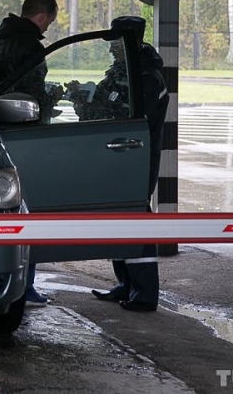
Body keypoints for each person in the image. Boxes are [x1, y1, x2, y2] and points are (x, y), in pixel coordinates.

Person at [0, 0, 63, 306]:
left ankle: (1, 277)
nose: (47, 29)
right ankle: (25, 284)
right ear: (41, 17)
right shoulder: (29, 47)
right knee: (33, 208)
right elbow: (32, 96)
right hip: (28, 134)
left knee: (6, 210)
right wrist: (54, 99)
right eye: (49, 23)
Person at [89, 16, 170, 312]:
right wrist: (79, 97)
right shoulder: (121, 72)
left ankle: (146, 293)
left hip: (135, 160)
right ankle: (126, 284)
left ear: (131, 41)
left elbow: (128, 117)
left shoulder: (148, 77)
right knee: (118, 221)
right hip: (116, 157)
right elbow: (101, 106)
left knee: (136, 222)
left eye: (116, 44)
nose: (111, 49)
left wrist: (98, 104)